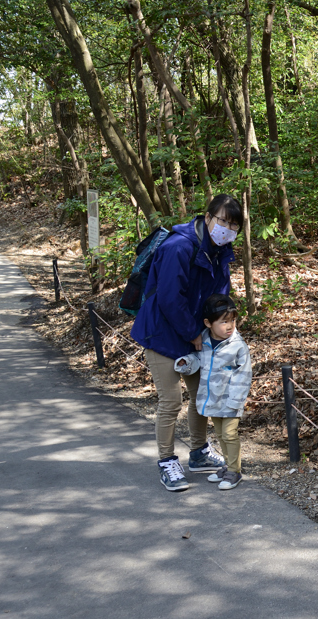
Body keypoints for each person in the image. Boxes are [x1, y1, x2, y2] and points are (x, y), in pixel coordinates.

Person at [131, 194, 242, 491]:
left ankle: (198, 452)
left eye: (234, 225)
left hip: (195, 332)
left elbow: (219, 296)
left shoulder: (221, 251)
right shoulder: (178, 247)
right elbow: (168, 298)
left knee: (199, 397)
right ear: (207, 218)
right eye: (222, 221)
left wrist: (219, 331)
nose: (227, 229)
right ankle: (167, 461)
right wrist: (195, 334)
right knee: (171, 401)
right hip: (161, 332)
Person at [174, 294, 251, 490]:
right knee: (220, 434)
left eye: (233, 320)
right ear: (208, 323)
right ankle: (228, 466)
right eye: (224, 321)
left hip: (231, 400)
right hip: (213, 400)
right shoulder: (205, 340)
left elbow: (244, 375)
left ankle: (235, 471)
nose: (230, 325)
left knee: (230, 433)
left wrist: (237, 401)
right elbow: (199, 361)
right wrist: (186, 363)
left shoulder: (237, 346)